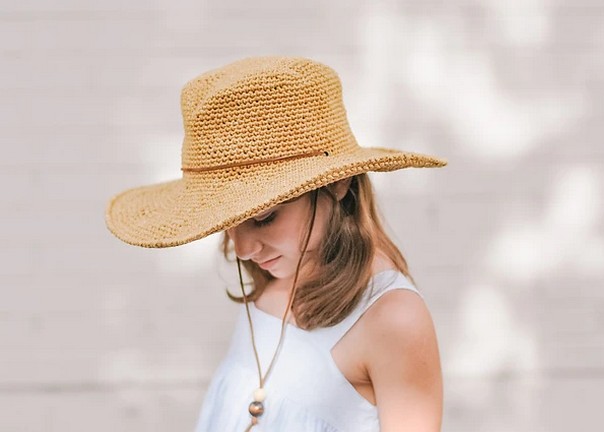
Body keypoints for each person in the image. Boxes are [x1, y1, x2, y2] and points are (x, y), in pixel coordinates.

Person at [105, 56, 447, 432]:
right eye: (225, 223)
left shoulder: (392, 319)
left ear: (337, 183)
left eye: (264, 217)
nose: (244, 249)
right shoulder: (276, 271)